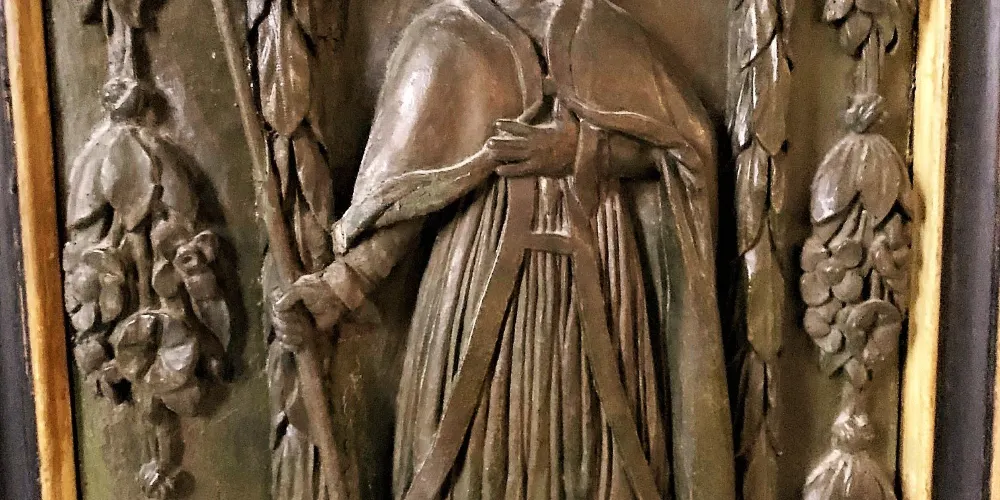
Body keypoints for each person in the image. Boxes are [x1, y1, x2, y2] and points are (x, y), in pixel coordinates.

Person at [271, 0, 736, 498]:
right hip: (474, 282)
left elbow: (685, 151)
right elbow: (408, 196)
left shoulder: (604, 30)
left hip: (599, 285)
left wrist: (584, 150)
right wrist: (342, 284)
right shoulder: (443, 37)